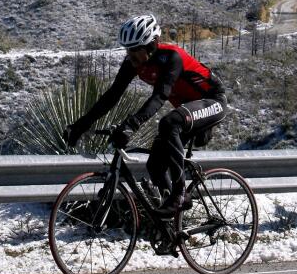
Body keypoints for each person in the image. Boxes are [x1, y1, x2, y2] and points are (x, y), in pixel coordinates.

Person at [63, 13, 227, 218]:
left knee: (169, 122)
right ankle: (171, 224)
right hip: (187, 110)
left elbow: (160, 96)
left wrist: (132, 124)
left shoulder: (172, 57)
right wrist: (80, 125)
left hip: (213, 101)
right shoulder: (134, 63)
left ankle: (180, 194)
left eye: (135, 50)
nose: (130, 55)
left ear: (152, 44)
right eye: (127, 49)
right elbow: (112, 96)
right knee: (155, 165)